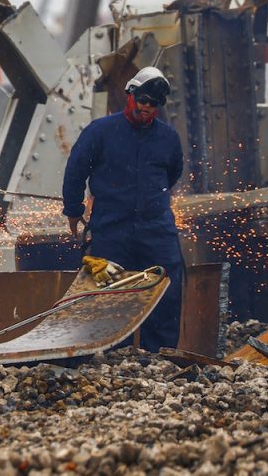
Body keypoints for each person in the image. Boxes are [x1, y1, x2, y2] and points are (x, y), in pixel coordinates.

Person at [61, 66, 185, 352]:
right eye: (142, 100)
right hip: (112, 229)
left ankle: (160, 357)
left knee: (164, 293)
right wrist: (73, 210)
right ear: (130, 95)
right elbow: (76, 171)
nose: (146, 107)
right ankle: (112, 356)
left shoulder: (168, 138)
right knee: (111, 296)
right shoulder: (100, 132)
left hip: (157, 231)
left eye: (152, 103)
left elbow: (172, 174)